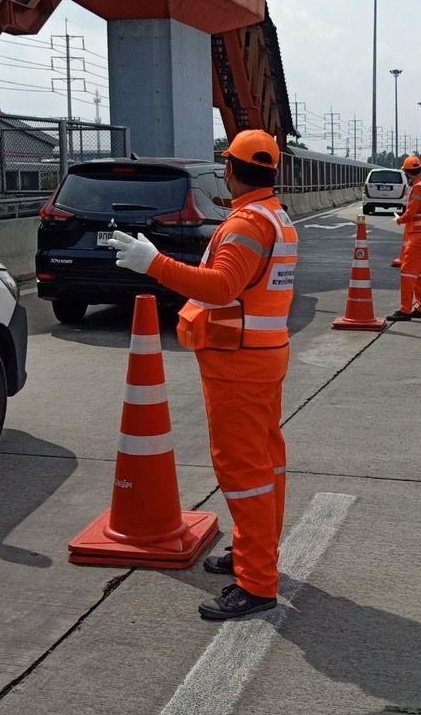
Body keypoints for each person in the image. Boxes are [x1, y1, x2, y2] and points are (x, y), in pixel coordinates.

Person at [106, 129, 297, 621]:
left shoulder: (247, 223)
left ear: (228, 169)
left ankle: (257, 583)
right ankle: (255, 552)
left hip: (239, 365)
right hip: (262, 355)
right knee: (266, 464)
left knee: (244, 472)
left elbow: (221, 286)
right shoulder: (274, 215)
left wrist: (155, 263)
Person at [390, 153, 421, 321]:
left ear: (407, 172)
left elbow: (412, 211)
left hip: (417, 235)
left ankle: (405, 310)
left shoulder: (418, 187)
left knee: (407, 273)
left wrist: (400, 219)